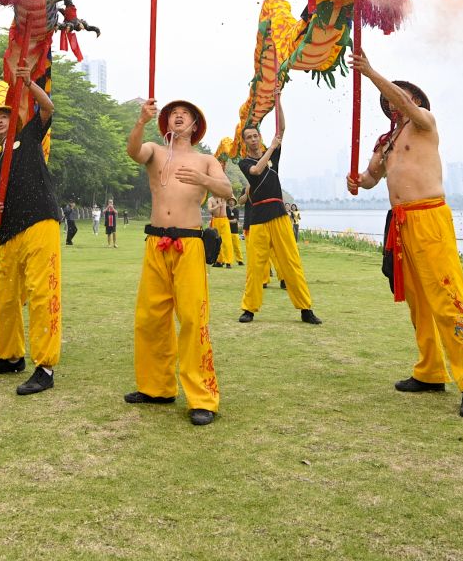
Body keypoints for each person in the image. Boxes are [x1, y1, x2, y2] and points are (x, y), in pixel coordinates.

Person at [349, 50, 463, 418]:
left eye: (403, 95)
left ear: (416, 101)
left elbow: (406, 104)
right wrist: (355, 182)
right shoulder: (386, 143)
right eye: (393, 97)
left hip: (429, 218)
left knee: (447, 297)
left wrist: (370, 72)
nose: (397, 101)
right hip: (400, 222)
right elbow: (370, 179)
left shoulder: (425, 123)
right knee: (418, 303)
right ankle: (430, 371)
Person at [125, 98, 228, 425]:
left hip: (189, 243)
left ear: (195, 125)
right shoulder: (154, 150)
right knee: (150, 317)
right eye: (173, 114)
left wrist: (205, 182)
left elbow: (226, 189)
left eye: (185, 114)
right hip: (156, 241)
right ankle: (156, 388)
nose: (178, 117)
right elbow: (133, 151)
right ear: (166, 123)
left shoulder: (207, 160)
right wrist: (141, 121)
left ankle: (202, 399)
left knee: (193, 318)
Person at [0, 67, 64, 396]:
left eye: (3, 116)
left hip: (40, 220)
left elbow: (48, 108)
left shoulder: (27, 137)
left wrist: (29, 83)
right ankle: (11, 356)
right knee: (5, 297)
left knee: (43, 293)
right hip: (9, 235)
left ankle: (45, 366)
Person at [228, 94, 320, 325]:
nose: (253, 139)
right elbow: (258, 171)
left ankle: (305, 309)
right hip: (258, 218)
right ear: (244, 141)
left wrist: (278, 100)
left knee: (291, 262)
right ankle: (249, 309)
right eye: (248, 137)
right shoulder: (245, 162)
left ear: (260, 136)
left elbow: (283, 127)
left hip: (279, 215)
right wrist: (272, 148)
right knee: (255, 266)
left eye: (255, 135)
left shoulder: (273, 153)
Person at [207, 191, 240, 267]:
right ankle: (219, 261)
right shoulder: (210, 199)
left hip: (224, 220)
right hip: (215, 220)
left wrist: (224, 189)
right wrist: (218, 205)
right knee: (216, 241)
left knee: (226, 241)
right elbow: (209, 210)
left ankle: (228, 262)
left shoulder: (224, 197)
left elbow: (232, 195)